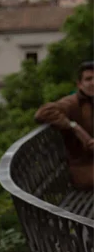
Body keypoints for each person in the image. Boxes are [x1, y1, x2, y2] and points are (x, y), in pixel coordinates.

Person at [34, 59, 94, 190]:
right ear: (79, 84)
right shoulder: (72, 102)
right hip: (84, 168)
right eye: (88, 79)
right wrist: (74, 126)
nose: (93, 83)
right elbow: (43, 112)